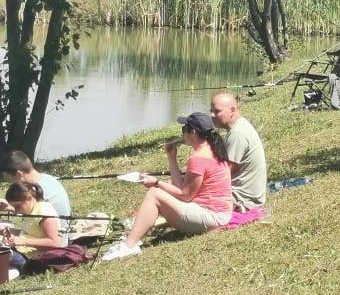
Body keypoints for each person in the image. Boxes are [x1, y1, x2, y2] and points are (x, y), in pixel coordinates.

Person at [101, 112, 232, 260]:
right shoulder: (212, 149)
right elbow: (180, 188)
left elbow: (185, 196)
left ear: (193, 133)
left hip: (213, 218)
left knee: (154, 194)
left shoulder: (198, 158)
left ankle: (129, 246)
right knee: (159, 191)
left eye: (184, 129)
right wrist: (172, 159)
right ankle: (132, 239)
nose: (182, 134)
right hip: (219, 214)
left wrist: (157, 182)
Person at [210, 92, 267, 212]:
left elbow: (225, 172)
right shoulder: (240, 124)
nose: (212, 115)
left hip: (244, 200)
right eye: (211, 111)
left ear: (232, 110)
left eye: (217, 111)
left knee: (188, 196)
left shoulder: (237, 134)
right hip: (245, 195)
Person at [1, 182, 64, 272]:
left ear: (29, 198)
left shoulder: (44, 212)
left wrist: (22, 241)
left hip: (36, 258)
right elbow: (30, 231)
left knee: (4, 255)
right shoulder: (30, 210)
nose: (15, 210)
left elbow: (55, 242)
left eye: (17, 206)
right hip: (24, 252)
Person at [1, 151, 71, 220]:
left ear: (19, 175)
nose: (10, 184)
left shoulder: (37, 192)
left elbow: (28, 220)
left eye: (10, 180)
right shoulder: (47, 179)